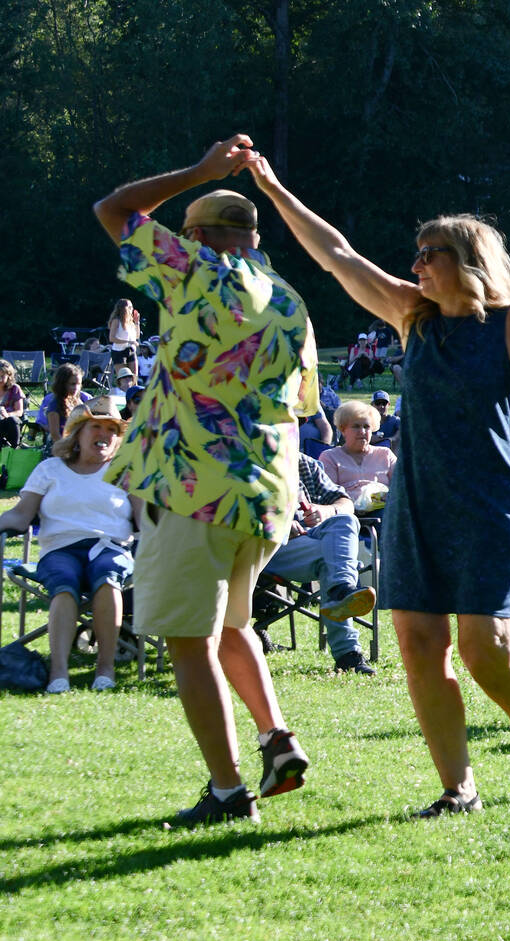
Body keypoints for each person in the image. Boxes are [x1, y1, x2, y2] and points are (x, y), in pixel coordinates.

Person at [245, 145, 510, 817]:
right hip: (416, 505)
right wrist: (271, 188)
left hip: (488, 505)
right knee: (418, 644)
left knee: (483, 650)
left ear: (466, 260)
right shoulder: (413, 315)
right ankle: (458, 788)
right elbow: (337, 256)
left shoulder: (509, 323)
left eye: (428, 252)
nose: (415, 264)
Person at [92, 135, 319, 827]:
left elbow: (115, 208)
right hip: (266, 496)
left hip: (193, 487)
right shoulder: (290, 302)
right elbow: (302, 404)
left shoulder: (190, 270)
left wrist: (200, 169)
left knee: (188, 640)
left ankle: (227, 793)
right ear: (253, 240)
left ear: (193, 236)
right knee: (232, 625)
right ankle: (276, 739)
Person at [0, 408, 137, 693]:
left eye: (112, 430)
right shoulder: (50, 469)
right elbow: (21, 515)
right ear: (77, 435)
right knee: (64, 581)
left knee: (107, 576)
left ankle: (105, 668)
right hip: (60, 548)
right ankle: (58, 673)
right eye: (96, 427)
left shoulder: (125, 471)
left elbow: (148, 520)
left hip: (110, 546)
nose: (105, 435)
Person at [264, 452, 378, 674]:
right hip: (265, 545)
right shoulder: (249, 457)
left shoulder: (302, 462)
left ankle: (341, 589)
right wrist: (279, 523)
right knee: (334, 560)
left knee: (344, 521)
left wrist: (325, 510)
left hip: (306, 543)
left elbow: (345, 502)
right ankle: (347, 653)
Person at [319, 401, 398, 503]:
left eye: (366, 427)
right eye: (356, 426)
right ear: (343, 430)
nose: (362, 431)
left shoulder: (385, 455)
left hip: (383, 509)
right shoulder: (330, 457)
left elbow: (400, 487)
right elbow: (329, 495)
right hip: (347, 511)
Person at [39, 363, 85, 448]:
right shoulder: (55, 405)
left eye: (78, 384)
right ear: (62, 384)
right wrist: (68, 451)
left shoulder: (77, 401)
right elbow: (55, 435)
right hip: (60, 448)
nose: (76, 388)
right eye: (72, 384)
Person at [0, 359, 24, 448]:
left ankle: (15, 447)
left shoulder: (14, 389)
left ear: (9, 376)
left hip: (8, 422)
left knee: (13, 420)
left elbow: (19, 411)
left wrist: (7, 414)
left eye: (2, 376)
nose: (0, 379)